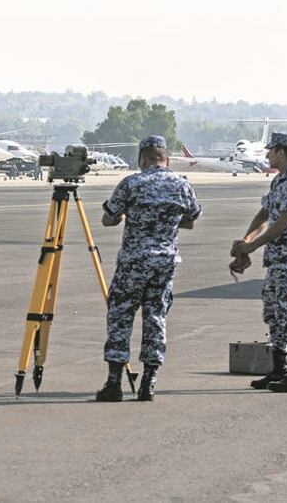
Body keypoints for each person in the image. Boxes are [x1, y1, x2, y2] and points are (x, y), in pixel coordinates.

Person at [95, 135, 202, 402]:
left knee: (121, 316)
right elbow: (190, 222)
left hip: (134, 261)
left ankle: (114, 382)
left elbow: (109, 219)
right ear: (165, 158)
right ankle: (149, 382)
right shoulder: (182, 185)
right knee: (156, 317)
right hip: (165, 263)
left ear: (142, 157)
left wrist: (128, 216)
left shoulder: (132, 183)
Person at [230, 132, 287, 393]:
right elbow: (265, 213)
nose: (267, 155)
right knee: (274, 312)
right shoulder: (279, 181)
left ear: (281, 152)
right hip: (276, 259)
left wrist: (252, 246)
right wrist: (245, 243)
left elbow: (282, 224)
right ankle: (280, 369)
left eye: (271, 151)